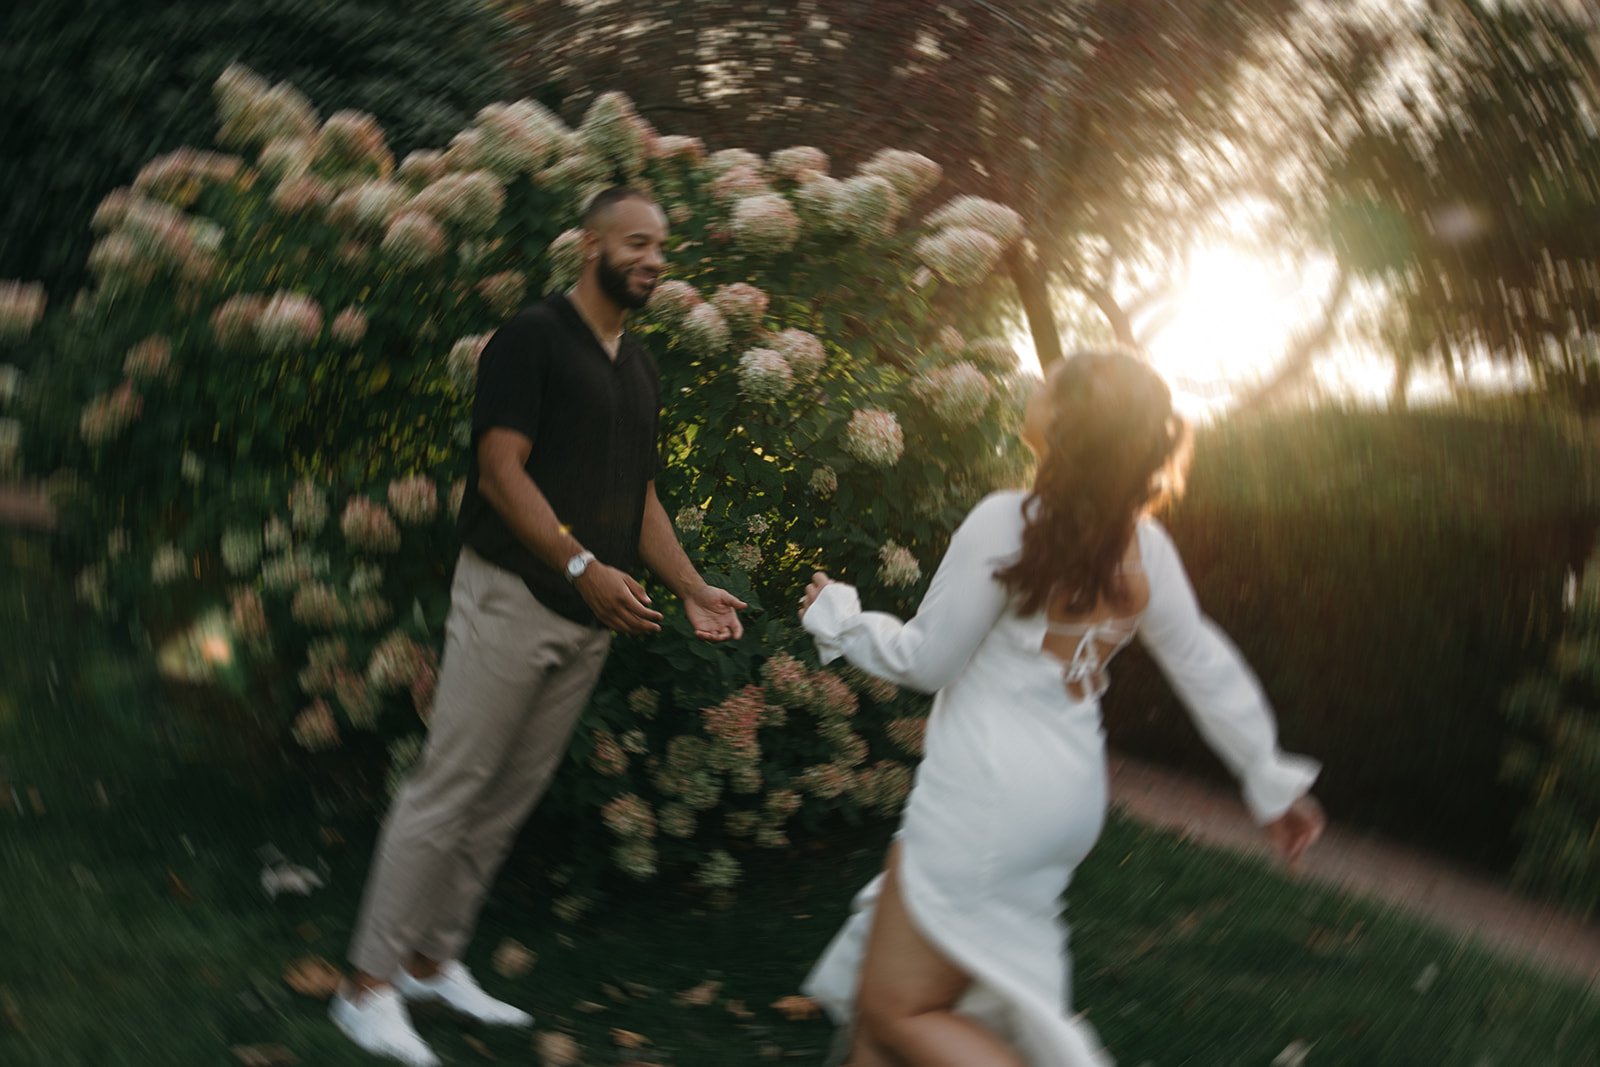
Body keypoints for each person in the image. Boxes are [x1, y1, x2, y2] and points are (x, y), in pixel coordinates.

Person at [796, 349, 1325, 1067]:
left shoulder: (1004, 521)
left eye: (1053, 384)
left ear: (1070, 421)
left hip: (985, 794)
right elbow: (1203, 662)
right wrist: (1268, 776)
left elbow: (927, 660)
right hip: (1062, 800)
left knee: (896, 1009)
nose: (1037, 385)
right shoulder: (1146, 547)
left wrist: (839, 616)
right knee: (884, 1016)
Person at [330, 186, 748, 1066]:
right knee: (450, 786)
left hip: (584, 621)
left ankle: (430, 961)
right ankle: (364, 988)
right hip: (512, 598)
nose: (653, 260)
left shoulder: (636, 365)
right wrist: (579, 568)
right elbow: (498, 471)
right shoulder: (531, 340)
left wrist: (690, 586)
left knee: (505, 799)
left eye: (661, 248)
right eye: (637, 242)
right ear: (590, 244)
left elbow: (635, 497)